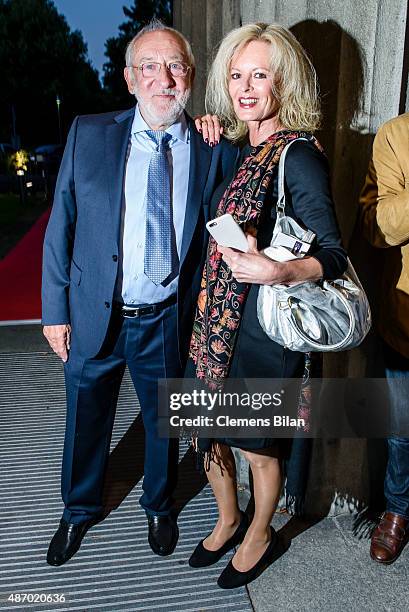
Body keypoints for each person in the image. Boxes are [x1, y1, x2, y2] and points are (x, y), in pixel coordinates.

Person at [41, 19, 238, 566]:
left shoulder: (210, 147)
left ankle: (158, 505)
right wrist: (54, 310)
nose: (162, 79)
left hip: (166, 317)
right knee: (84, 419)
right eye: (148, 67)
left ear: (190, 77)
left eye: (174, 66)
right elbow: (62, 226)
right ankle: (78, 510)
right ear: (129, 79)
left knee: (162, 423)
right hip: (92, 313)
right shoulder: (89, 133)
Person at [186, 22, 347, 589]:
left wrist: (276, 269)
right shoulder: (241, 148)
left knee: (255, 444)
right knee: (208, 425)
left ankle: (259, 531)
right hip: (215, 322)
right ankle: (227, 518)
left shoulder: (297, 154)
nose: (246, 87)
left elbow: (332, 253)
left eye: (260, 75)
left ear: (285, 82)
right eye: (236, 75)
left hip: (261, 327)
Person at [360, 112, 409, 564]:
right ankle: (397, 510)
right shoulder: (397, 135)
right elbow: (376, 226)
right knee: (401, 431)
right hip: (406, 320)